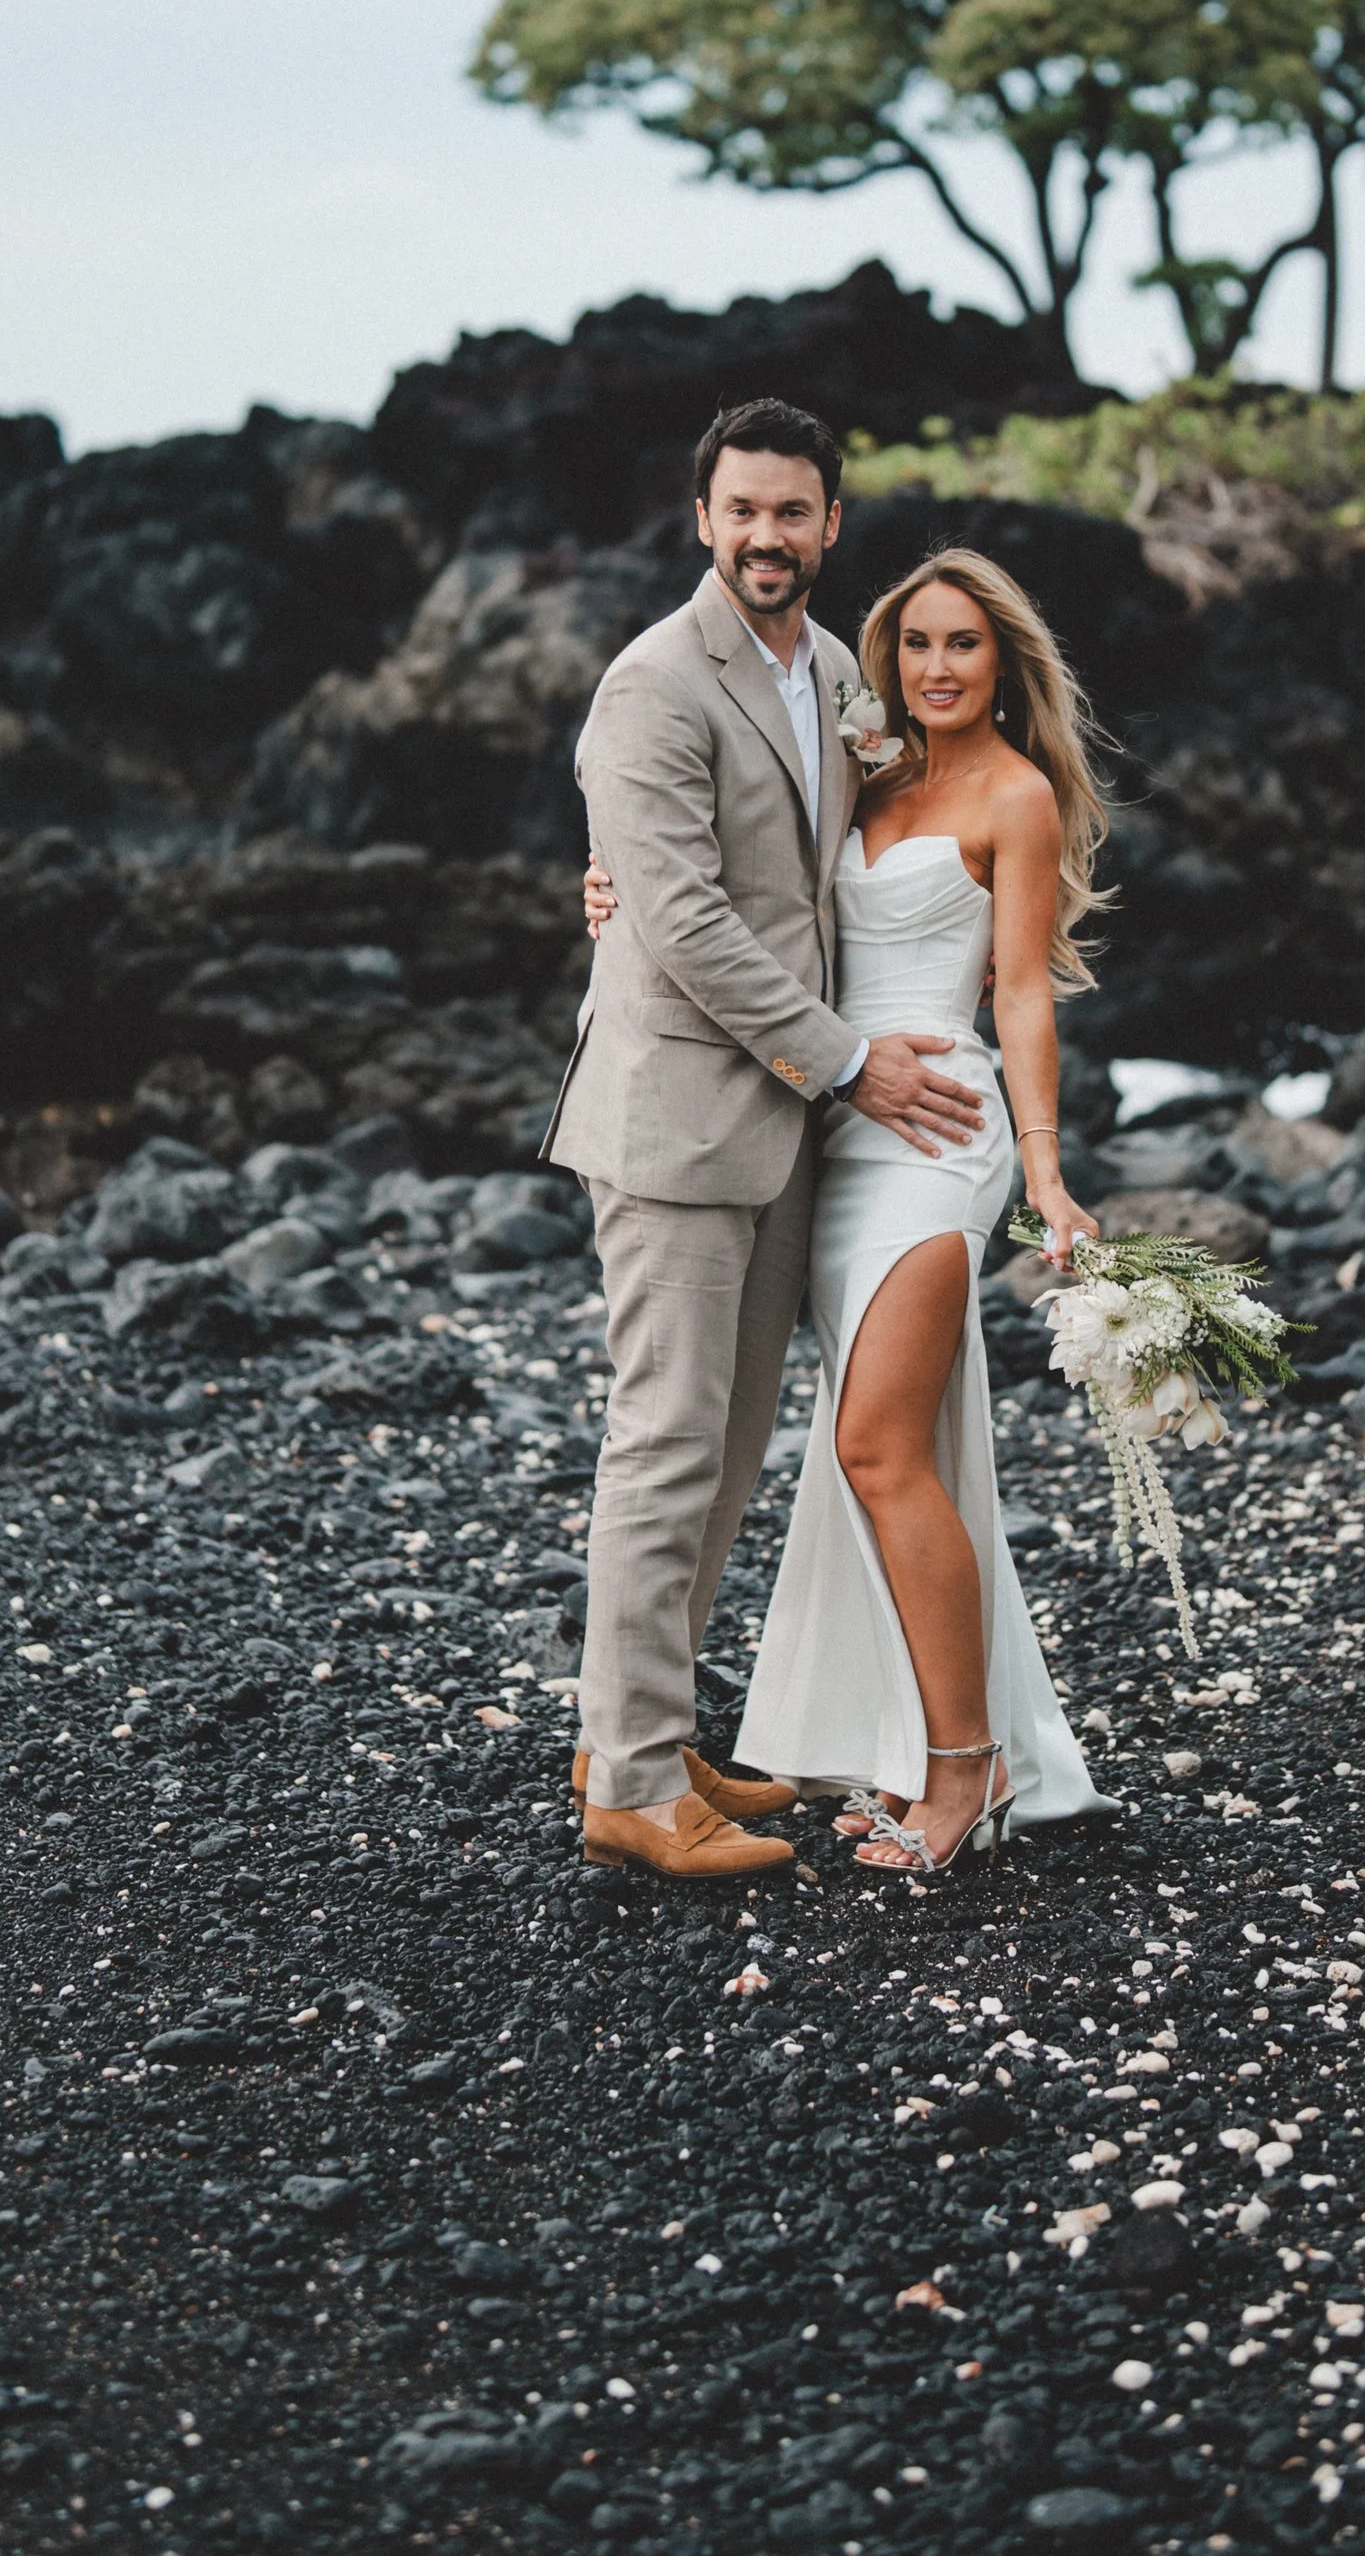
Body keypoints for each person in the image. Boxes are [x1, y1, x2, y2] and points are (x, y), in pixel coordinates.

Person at [584, 543, 1115, 1883]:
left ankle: (964, 1766)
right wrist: (611, 892)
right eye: (919, 643)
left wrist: (1046, 1172)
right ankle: (919, 1736)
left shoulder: (1018, 794)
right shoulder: (864, 761)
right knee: (887, 1440)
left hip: (937, 1131)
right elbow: (724, 877)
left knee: (879, 1445)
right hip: (824, 1126)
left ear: (1006, 663)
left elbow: (1024, 996)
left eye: (965, 646)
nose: (938, 667)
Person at [549, 400, 987, 1885]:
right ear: (702, 519)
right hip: (678, 1121)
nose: (765, 536)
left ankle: (656, 1732)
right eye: (742, 511)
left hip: (780, 1126)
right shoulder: (653, 681)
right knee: (665, 1441)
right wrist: (855, 1056)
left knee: (727, 1450)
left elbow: (820, 849)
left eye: (792, 513)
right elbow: (678, 914)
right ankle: (622, 1780)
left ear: (829, 526)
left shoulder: (827, 677)